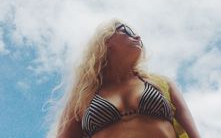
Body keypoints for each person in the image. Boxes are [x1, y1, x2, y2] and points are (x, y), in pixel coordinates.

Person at [54, 18, 201, 138]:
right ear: (106, 41)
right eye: (127, 31)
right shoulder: (83, 96)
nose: (137, 37)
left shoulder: (162, 84)